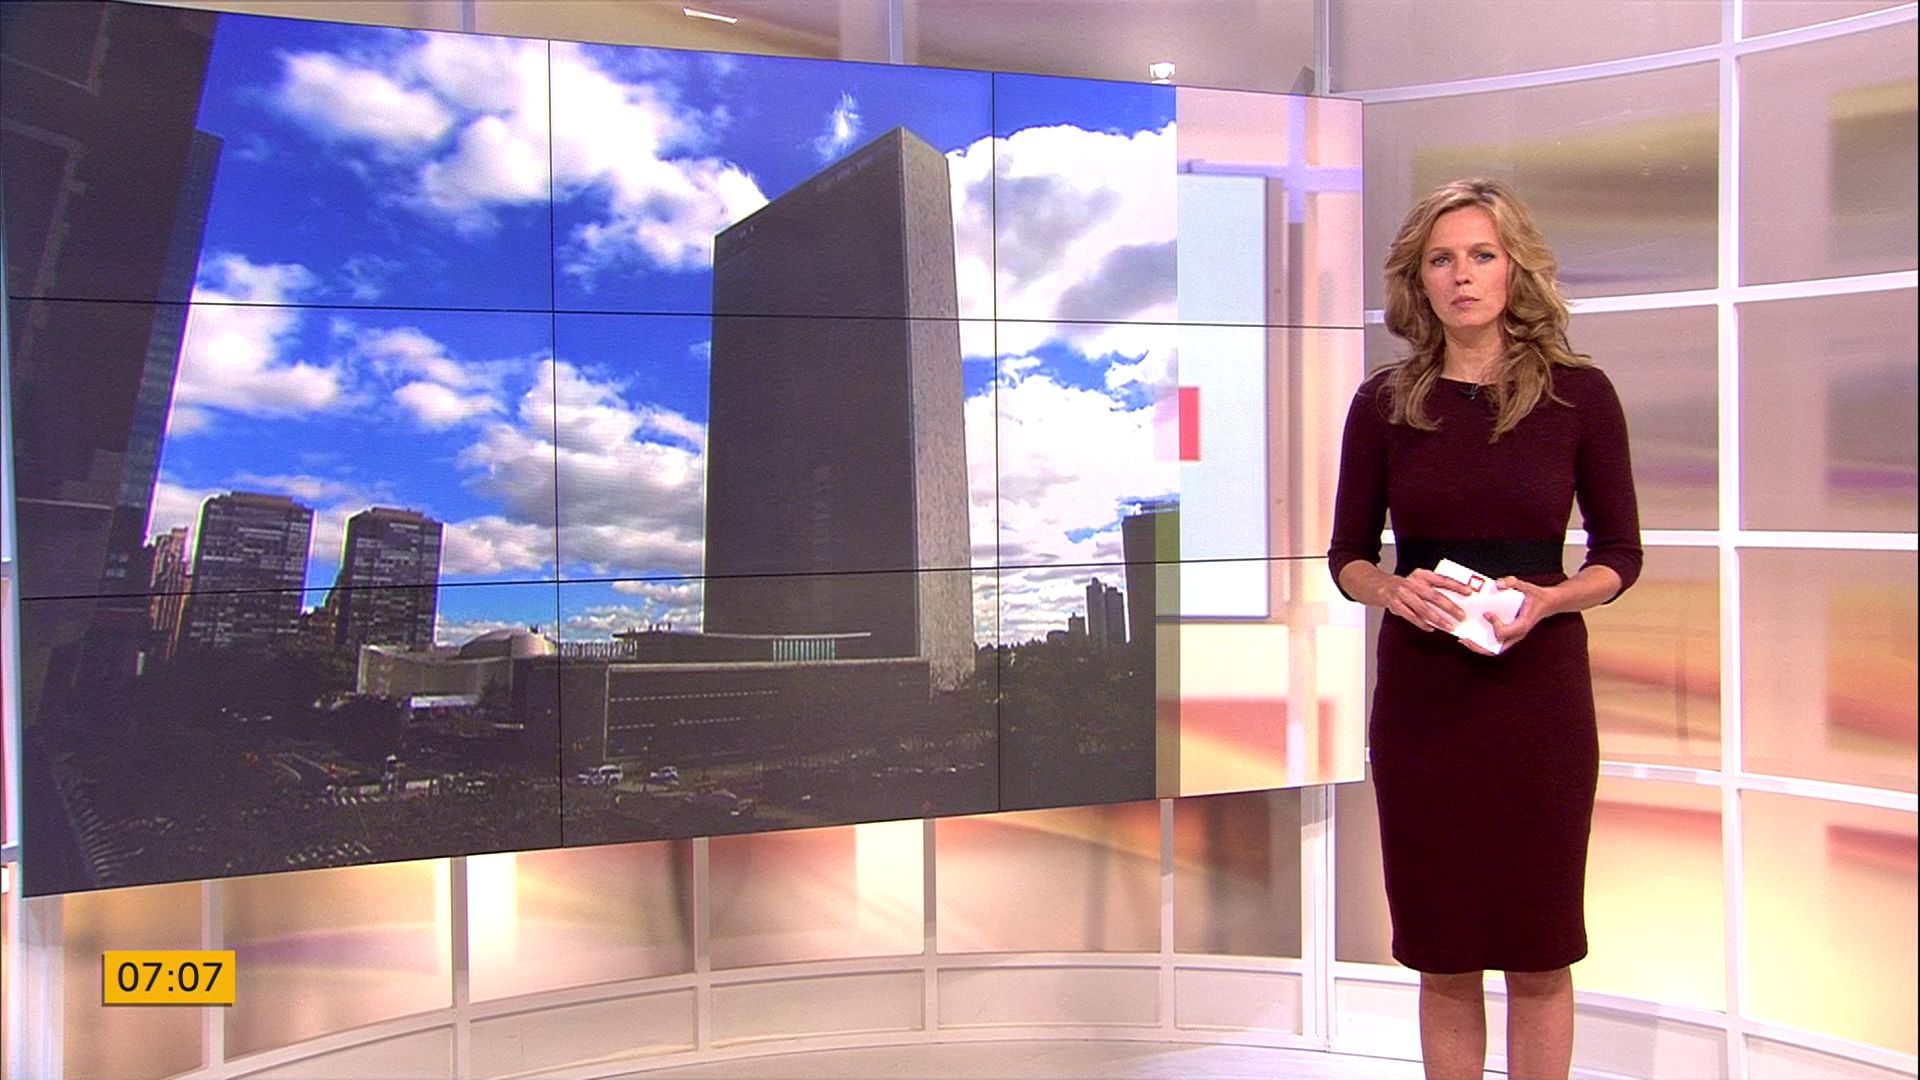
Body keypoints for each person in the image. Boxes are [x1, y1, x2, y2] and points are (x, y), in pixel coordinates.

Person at [1327, 177, 1642, 1080]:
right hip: (1425, 704)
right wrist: (1393, 591)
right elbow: (1347, 556)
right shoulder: (1383, 403)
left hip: (1539, 702)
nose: (1461, 275)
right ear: (1418, 281)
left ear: (1514, 270)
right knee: (1445, 951)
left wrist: (1551, 598)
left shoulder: (1580, 396)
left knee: (1540, 950)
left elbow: (1620, 555)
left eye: (1481, 255)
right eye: (1441, 259)